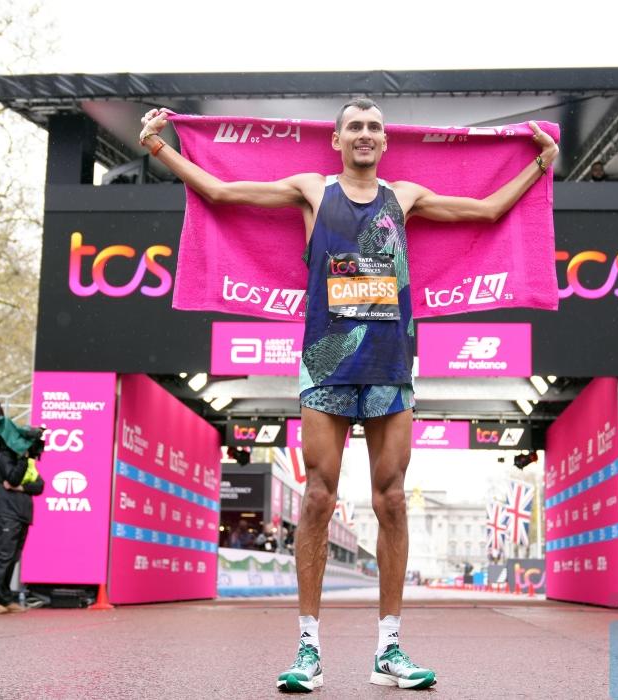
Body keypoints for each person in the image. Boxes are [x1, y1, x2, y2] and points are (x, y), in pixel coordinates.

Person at [138, 99, 558, 692]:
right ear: (336, 140)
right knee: (317, 496)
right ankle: (308, 649)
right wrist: (158, 146)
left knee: (392, 499)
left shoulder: (405, 196)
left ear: (386, 142)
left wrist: (541, 163)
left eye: (374, 127)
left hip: (390, 364)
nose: (365, 134)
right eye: (355, 127)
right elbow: (222, 193)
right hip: (326, 363)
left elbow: (487, 211)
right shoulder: (312, 189)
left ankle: (389, 649)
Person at [0, 419, 46, 615]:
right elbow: (13, 479)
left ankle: (5, 598)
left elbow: (40, 486)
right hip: (6, 514)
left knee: (12, 558)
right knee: (2, 556)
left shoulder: (27, 463)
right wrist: (23, 460)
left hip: (22, 515)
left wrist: (22, 488)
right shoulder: (5, 458)